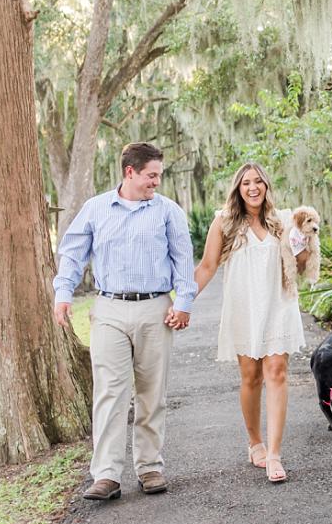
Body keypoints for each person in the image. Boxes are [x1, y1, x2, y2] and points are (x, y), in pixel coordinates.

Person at [52, 142, 196, 501]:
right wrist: (63, 293)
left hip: (155, 309)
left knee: (151, 392)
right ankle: (106, 475)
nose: (156, 182)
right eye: (151, 175)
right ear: (129, 172)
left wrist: (185, 302)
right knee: (110, 393)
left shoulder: (168, 212)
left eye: (159, 176)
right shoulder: (96, 209)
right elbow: (72, 253)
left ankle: (150, 468)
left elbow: (183, 259)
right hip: (110, 308)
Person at [193, 162, 309, 484]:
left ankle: (274, 454)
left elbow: (299, 265)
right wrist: (182, 303)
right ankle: (254, 441)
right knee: (251, 377)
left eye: (259, 181)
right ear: (238, 189)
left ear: (267, 186)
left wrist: (304, 244)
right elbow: (206, 266)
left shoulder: (283, 221)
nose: (253, 187)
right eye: (246, 183)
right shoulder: (225, 222)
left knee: (277, 371)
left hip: (278, 304)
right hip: (244, 307)